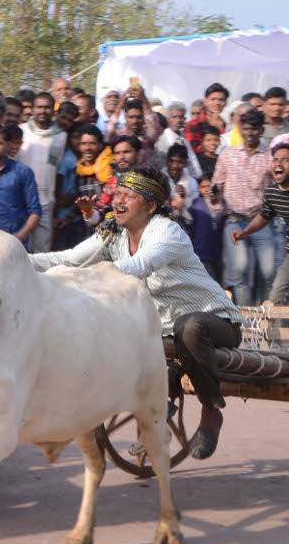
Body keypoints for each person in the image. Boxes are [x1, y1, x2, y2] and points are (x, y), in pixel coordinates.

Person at [32, 167, 242, 459]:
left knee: (190, 326)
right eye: (118, 193)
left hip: (216, 322)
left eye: (129, 196)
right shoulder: (112, 233)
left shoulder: (167, 231)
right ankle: (154, 410)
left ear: (151, 206)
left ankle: (211, 411)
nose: (119, 201)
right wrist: (18, 260)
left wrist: (85, 279)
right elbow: (68, 259)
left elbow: (141, 265)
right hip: (163, 331)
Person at [214, 109, 275, 305]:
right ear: (240, 129)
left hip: (262, 220)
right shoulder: (228, 155)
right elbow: (217, 184)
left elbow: (278, 186)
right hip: (235, 221)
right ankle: (246, 321)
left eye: (254, 129)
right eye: (246, 129)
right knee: (240, 269)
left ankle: (265, 319)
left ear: (261, 130)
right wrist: (214, 193)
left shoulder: (270, 157)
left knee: (268, 271)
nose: (250, 133)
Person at [232, 142, 289, 304]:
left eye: (285, 160)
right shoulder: (272, 192)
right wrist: (245, 233)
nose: (278, 164)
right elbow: (264, 216)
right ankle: (274, 330)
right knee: (276, 297)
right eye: (275, 160)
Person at [18, 92, 66, 252]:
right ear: (32, 109)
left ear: (53, 110)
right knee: (18, 247)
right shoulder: (21, 132)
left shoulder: (61, 136)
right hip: (20, 198)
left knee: (41, 250)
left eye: (47, 107)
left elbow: (58, 168)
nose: (43, 111)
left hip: (45, 200)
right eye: (39, 107)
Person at [186, 82, 230, 152]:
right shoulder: (194, 124)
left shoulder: (227, 125)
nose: (217, 103)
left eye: (221, 100)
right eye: (213, 99)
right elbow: (193, 150)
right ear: (205, 101)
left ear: (226, 103)